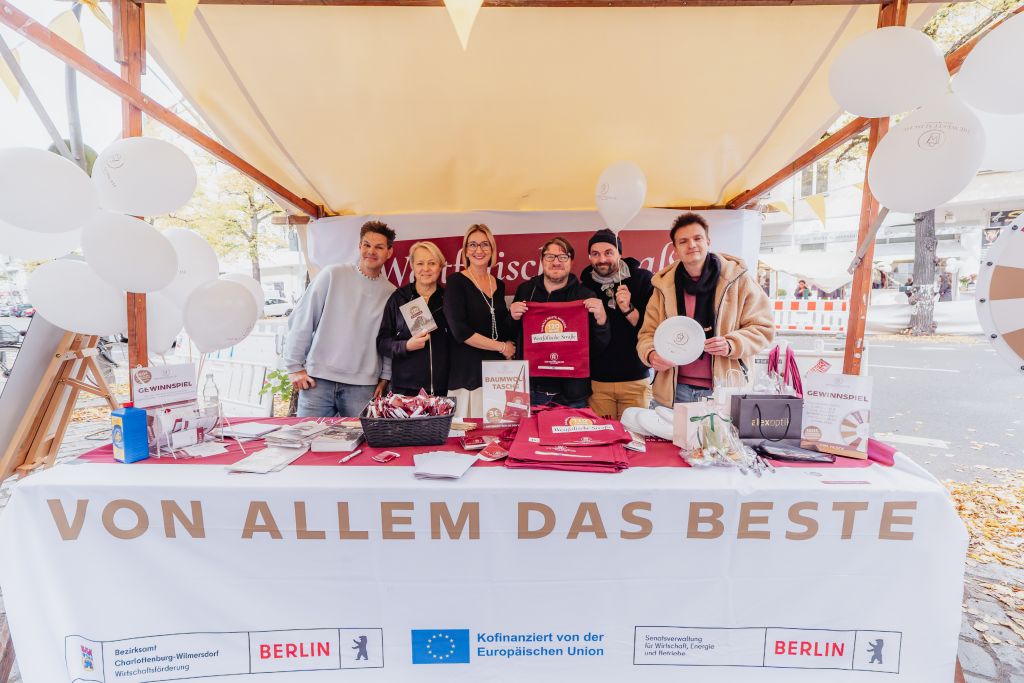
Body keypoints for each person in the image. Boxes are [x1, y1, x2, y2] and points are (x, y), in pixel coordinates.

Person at [637, 212, 773, 406]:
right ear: (675, 250)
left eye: (697, 238)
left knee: (719, 438)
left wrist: (731, 343)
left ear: (708, 241)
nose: (691, 245)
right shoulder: (662, 287)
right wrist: (651, 354)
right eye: (683, 241)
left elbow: (763, 328)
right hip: (674, 392)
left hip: (723, 390)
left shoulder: (738, 280)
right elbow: (647, 334)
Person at [284, 220, 396, 417]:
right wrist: (294, 367)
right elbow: (303, 318)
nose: (371, 251)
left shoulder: (391, 293)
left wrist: (385, 376)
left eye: (379, 247)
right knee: (308, 441)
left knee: (362, 445)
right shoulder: (332, 274)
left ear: (389, 252)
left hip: (363, 386)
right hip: (318, 381)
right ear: (359, 246)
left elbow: (388, 338)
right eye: (367, 245)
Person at [510, 236, 610, 408]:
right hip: (532, 391)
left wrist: (602, 320)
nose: (556, 262)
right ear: (542, 260)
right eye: (550, 256)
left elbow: (598, 346)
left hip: (573, 395)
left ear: (571, 261)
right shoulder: (526, 291)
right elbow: (513, 336)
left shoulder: (585, 295)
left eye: (563, 257)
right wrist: (511, 318)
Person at [579, 228, 655, 419]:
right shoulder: (583, 288)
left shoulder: (643, 280)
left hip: (636, 381)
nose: (602, 259)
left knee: (636, 441)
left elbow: (652, 330)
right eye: (595, 254)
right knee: (603, 443)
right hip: (598, 383)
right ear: (589, 256)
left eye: (608, 253)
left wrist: (628, 309)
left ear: (620, 253)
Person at [443, 224, 516, 418]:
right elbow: (460, 332)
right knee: (468, 439)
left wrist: (509, 343)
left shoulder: (498, 284)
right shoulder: (456, 282)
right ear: (466, 250)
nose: (479, 250)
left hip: (497, 376)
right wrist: (501, 347)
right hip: (467, 375)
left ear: (492, 249)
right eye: (473, 244)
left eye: (485, 244)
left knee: (499, 437)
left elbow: (500, 327)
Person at [376, 241, 451, 396]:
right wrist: (406, 346)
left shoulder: (449, 298)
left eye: (432, 263)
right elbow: (382, 343)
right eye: (420, 263)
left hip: (442, 390)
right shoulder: (399, 298)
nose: (425, 269)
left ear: (441, 266)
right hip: (405, 390)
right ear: (412, 266)